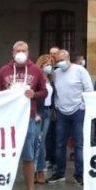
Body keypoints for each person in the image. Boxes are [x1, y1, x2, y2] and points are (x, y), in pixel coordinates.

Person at [0, 40, 47, 190]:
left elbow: (44, 92)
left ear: (28, 52)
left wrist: (34, 94)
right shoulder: (4, 71)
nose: (21, 53)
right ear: (13, 52)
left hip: (28, 119)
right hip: (8, 121)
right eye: (18, 50)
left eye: (24, 50)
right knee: (5, 156)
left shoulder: (36, 70)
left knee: (28, 157)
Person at [47, 49, 93, 185]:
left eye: (62, 60)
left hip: (78, 111)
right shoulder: (56, 73)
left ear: (68, 58)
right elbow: (54, 90)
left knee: (79, 144)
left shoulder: (80, 70)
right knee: (60, 144)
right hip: (62, 112)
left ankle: (79, 174)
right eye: (58, 61)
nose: (60, 63)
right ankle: (59, 173)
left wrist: (84, 105)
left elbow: (89, 89)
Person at [36, 54, 56, 183]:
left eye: (50, 64)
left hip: (48, 111)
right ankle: (37, 170)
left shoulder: (51, 79)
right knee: (37, 141)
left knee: (42, 141)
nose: (49, 66)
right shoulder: (37, 79)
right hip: (38, 111)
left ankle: (39, 170)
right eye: (46, 64)